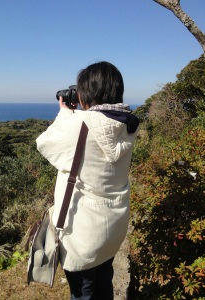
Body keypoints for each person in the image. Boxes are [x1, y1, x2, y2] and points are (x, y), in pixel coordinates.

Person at [35, 61, 139, 300]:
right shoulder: (127, 124)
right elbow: (100, 123)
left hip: (83, 233)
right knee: (103, 283)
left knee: (83, 292)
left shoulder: (78, 124)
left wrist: (64, 113)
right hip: (113, 227)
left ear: (86, 93)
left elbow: (44, 143)